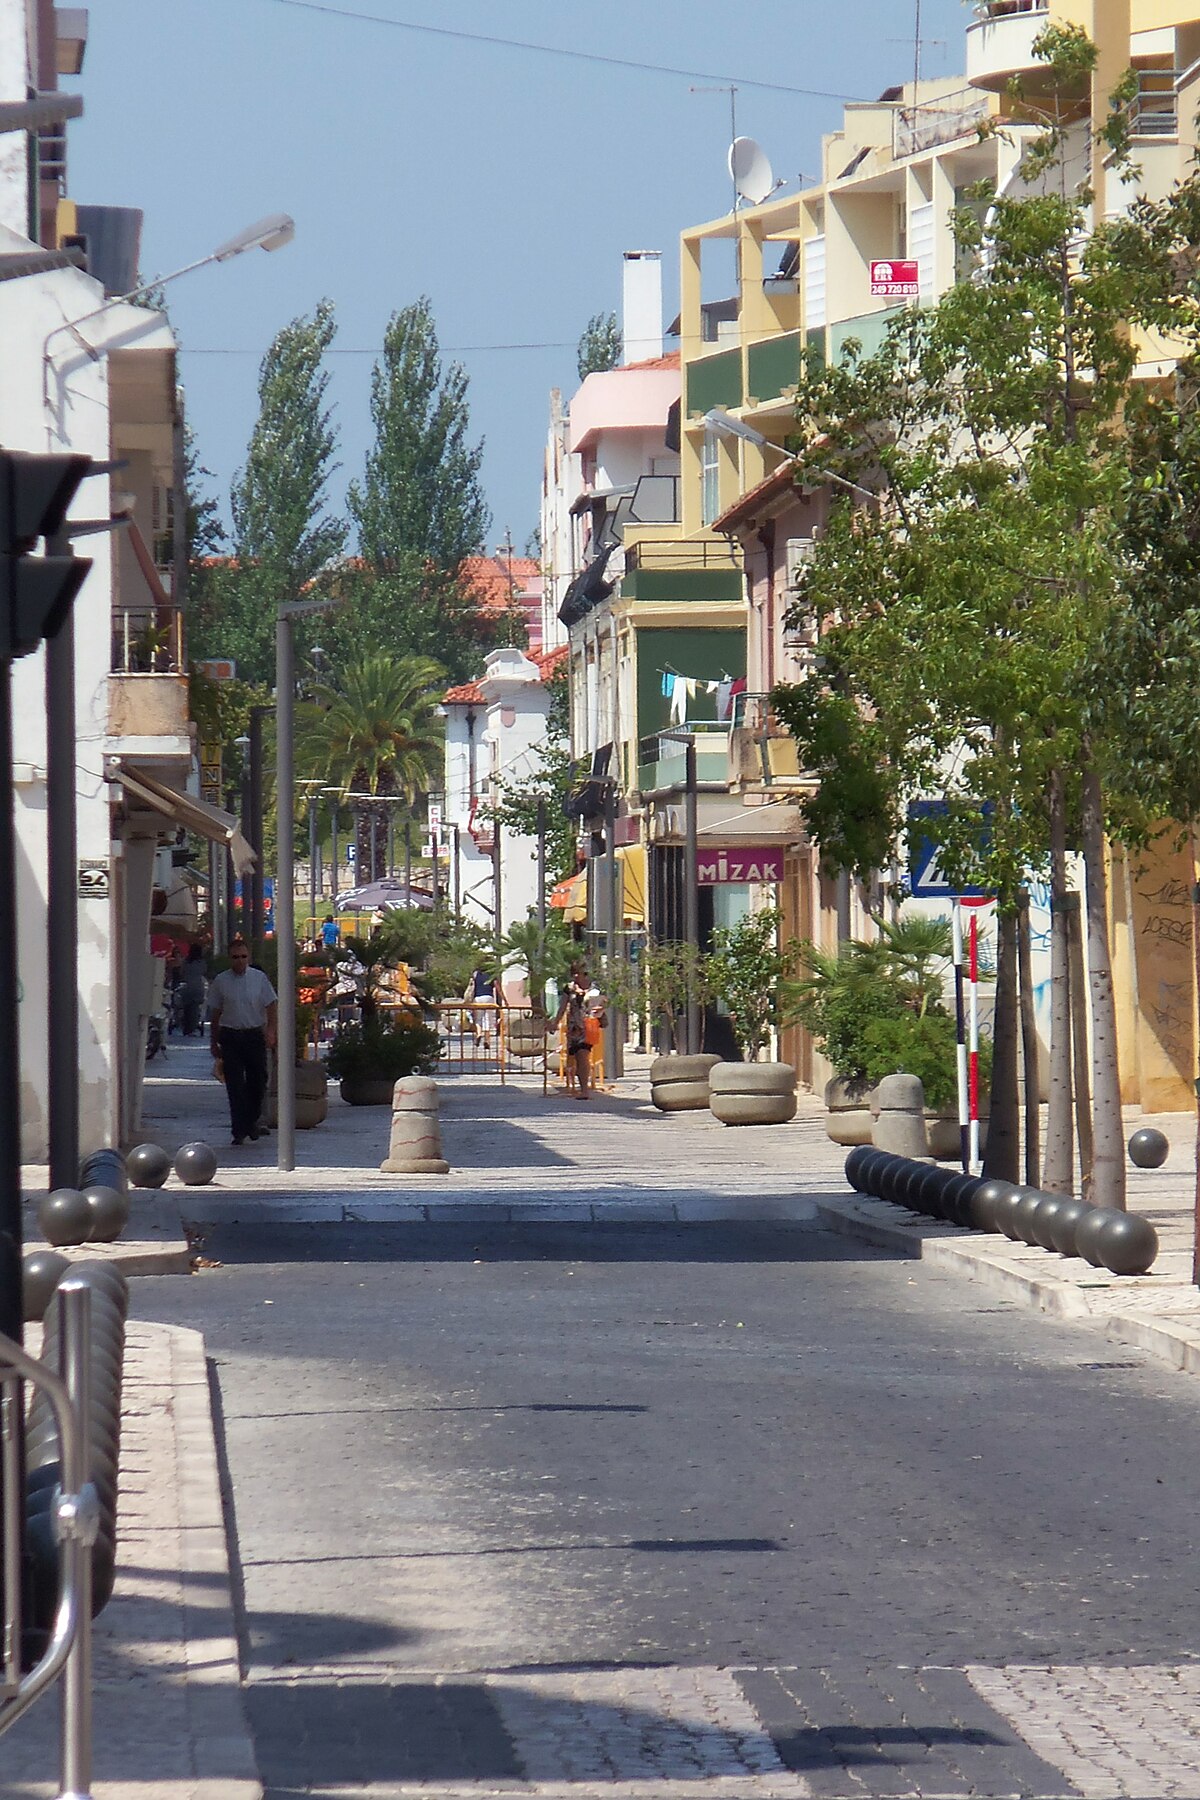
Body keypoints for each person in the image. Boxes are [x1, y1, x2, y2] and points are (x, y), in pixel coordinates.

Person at [208, 937, 278, 1145]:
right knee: (235, 1086)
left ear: (249, 958)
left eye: (243, 957)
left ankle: (251, 1121)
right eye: (235, 957)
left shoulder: (259, 979)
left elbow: (271, 1004)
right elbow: (216, 1013)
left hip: (254, 1034)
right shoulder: (221, 981)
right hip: (231, 1037)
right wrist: (214, 1041)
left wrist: (271, 1031)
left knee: (258, 1081)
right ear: (230, 958)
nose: (240, 961)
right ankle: (239, 1130)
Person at [554, 962, 603, 1099]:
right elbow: (562, 1007)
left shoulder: (594, 987)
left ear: (584, 973)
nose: (576, 976)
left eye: (578, 973)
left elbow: (603, 1003)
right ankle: (581, 1087)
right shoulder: (569, 988)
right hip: (574, 1027)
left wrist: (600, 1009)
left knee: (583, 1055)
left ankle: (584, 1090)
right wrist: (555, 1023)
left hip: (589, 1025)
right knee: (575, 1057)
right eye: (573, 973)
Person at [464, 966, 499, 1051]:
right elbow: (498, 988)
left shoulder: (476, 975)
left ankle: (479, 1034)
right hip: (488, 998)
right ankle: (487, 1041)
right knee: (488, 1019)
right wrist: (504, 999)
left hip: (478, 998)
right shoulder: (491, 976)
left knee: (478, 1019)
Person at [179, 943, 208, 1038]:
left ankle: (185, 1026)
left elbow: (181, 973)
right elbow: (204, 971)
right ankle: (192, 1027)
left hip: (186, 987)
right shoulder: (202, 962)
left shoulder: (186, 962)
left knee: (186, 1007)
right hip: (197, 987)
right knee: (195, 1008)